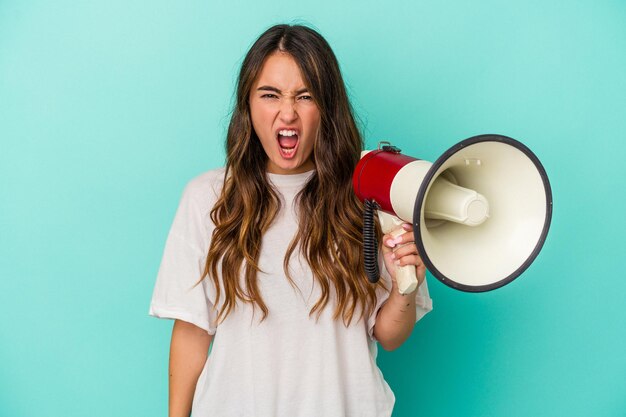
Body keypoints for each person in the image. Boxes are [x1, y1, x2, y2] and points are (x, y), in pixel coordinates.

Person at [149, 24, 433, 417]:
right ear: (248, 105)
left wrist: (406, 285)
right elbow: (193, 333)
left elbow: (388, 334)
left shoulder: (372, 197)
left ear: (327, 109)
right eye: (270, 95)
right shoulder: (208, 199)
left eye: (305, 96)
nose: (288, 112)